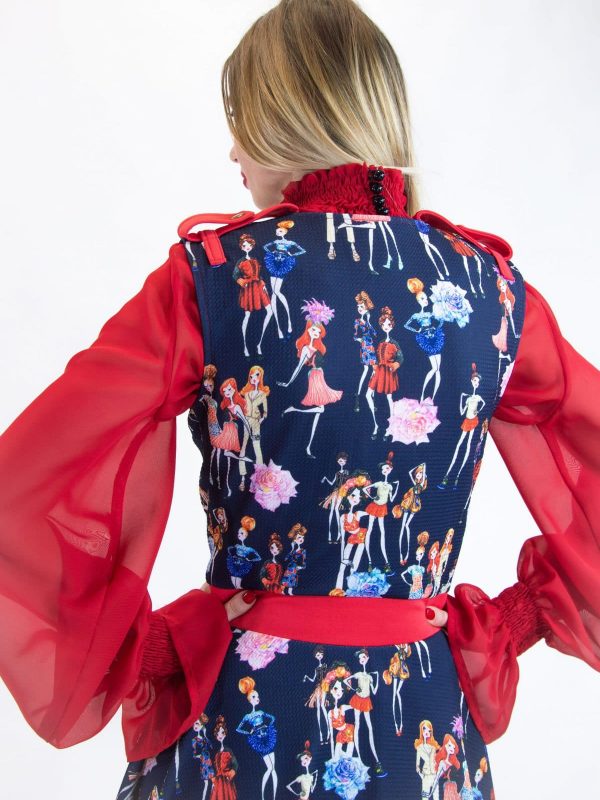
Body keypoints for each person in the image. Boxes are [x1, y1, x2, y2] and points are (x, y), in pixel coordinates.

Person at [0, 1, 598, 798]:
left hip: (241, 725)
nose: (234, 153)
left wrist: (137, 649)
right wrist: (514, 620)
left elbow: (23, 484)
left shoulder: (212, 278)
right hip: (422, 728)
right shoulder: (490, 293)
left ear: (289, 121)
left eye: (244, 124)